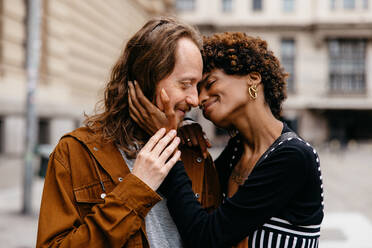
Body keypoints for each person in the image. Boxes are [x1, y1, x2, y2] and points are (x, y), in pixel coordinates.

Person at [36, 17, 221, 248]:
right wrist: (137, 187)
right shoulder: (74, 153)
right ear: (147, 78)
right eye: (184, 84)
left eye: (197, 85)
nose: (194, 99)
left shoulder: (194, 153)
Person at [130, 32, 324, 248]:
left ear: (253, 78)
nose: (199, 99)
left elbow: (206, 236)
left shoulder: (294, 157)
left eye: (209, 83)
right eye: (194, 88)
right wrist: (180, 132)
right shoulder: (237, 150)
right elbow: (198, 203)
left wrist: (166, 143)